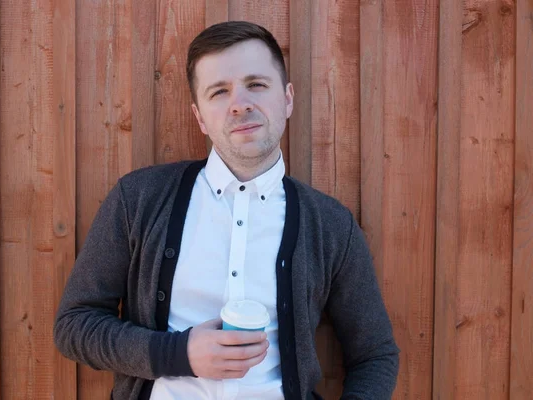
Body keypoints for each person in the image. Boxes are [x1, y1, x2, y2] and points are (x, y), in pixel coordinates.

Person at [54, 21, 399, 400]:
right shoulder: (138, 199)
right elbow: (75, 325)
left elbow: (375, 354)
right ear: (200, 116)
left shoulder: (332, 226)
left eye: (256, 84)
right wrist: (178, 354)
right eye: (219, 92)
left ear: (287, 98)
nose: (240, 103)